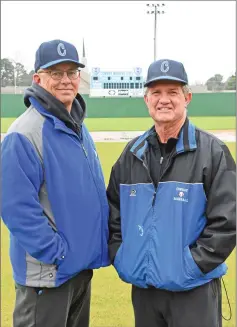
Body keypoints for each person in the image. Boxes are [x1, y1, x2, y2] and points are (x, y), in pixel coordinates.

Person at [107, 59, 236, 327]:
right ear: (146, 99)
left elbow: (227, 223)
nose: (163, 100)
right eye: (156, 92)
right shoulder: (131, 155)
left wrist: (189, 266)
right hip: (145, 291)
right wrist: (123, 256)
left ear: (187, 97)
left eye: (172, 92)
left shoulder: (213, 153)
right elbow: (112, 213)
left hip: (193, 291)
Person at [1, 39, 110, 327]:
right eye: (55, 73)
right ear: (38, 79)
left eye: (71, 72)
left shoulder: (77, 127)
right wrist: (58, 253)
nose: (65, 80)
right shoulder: (24, 133)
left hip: (78, 271)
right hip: (48, 277)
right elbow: (17, 209)